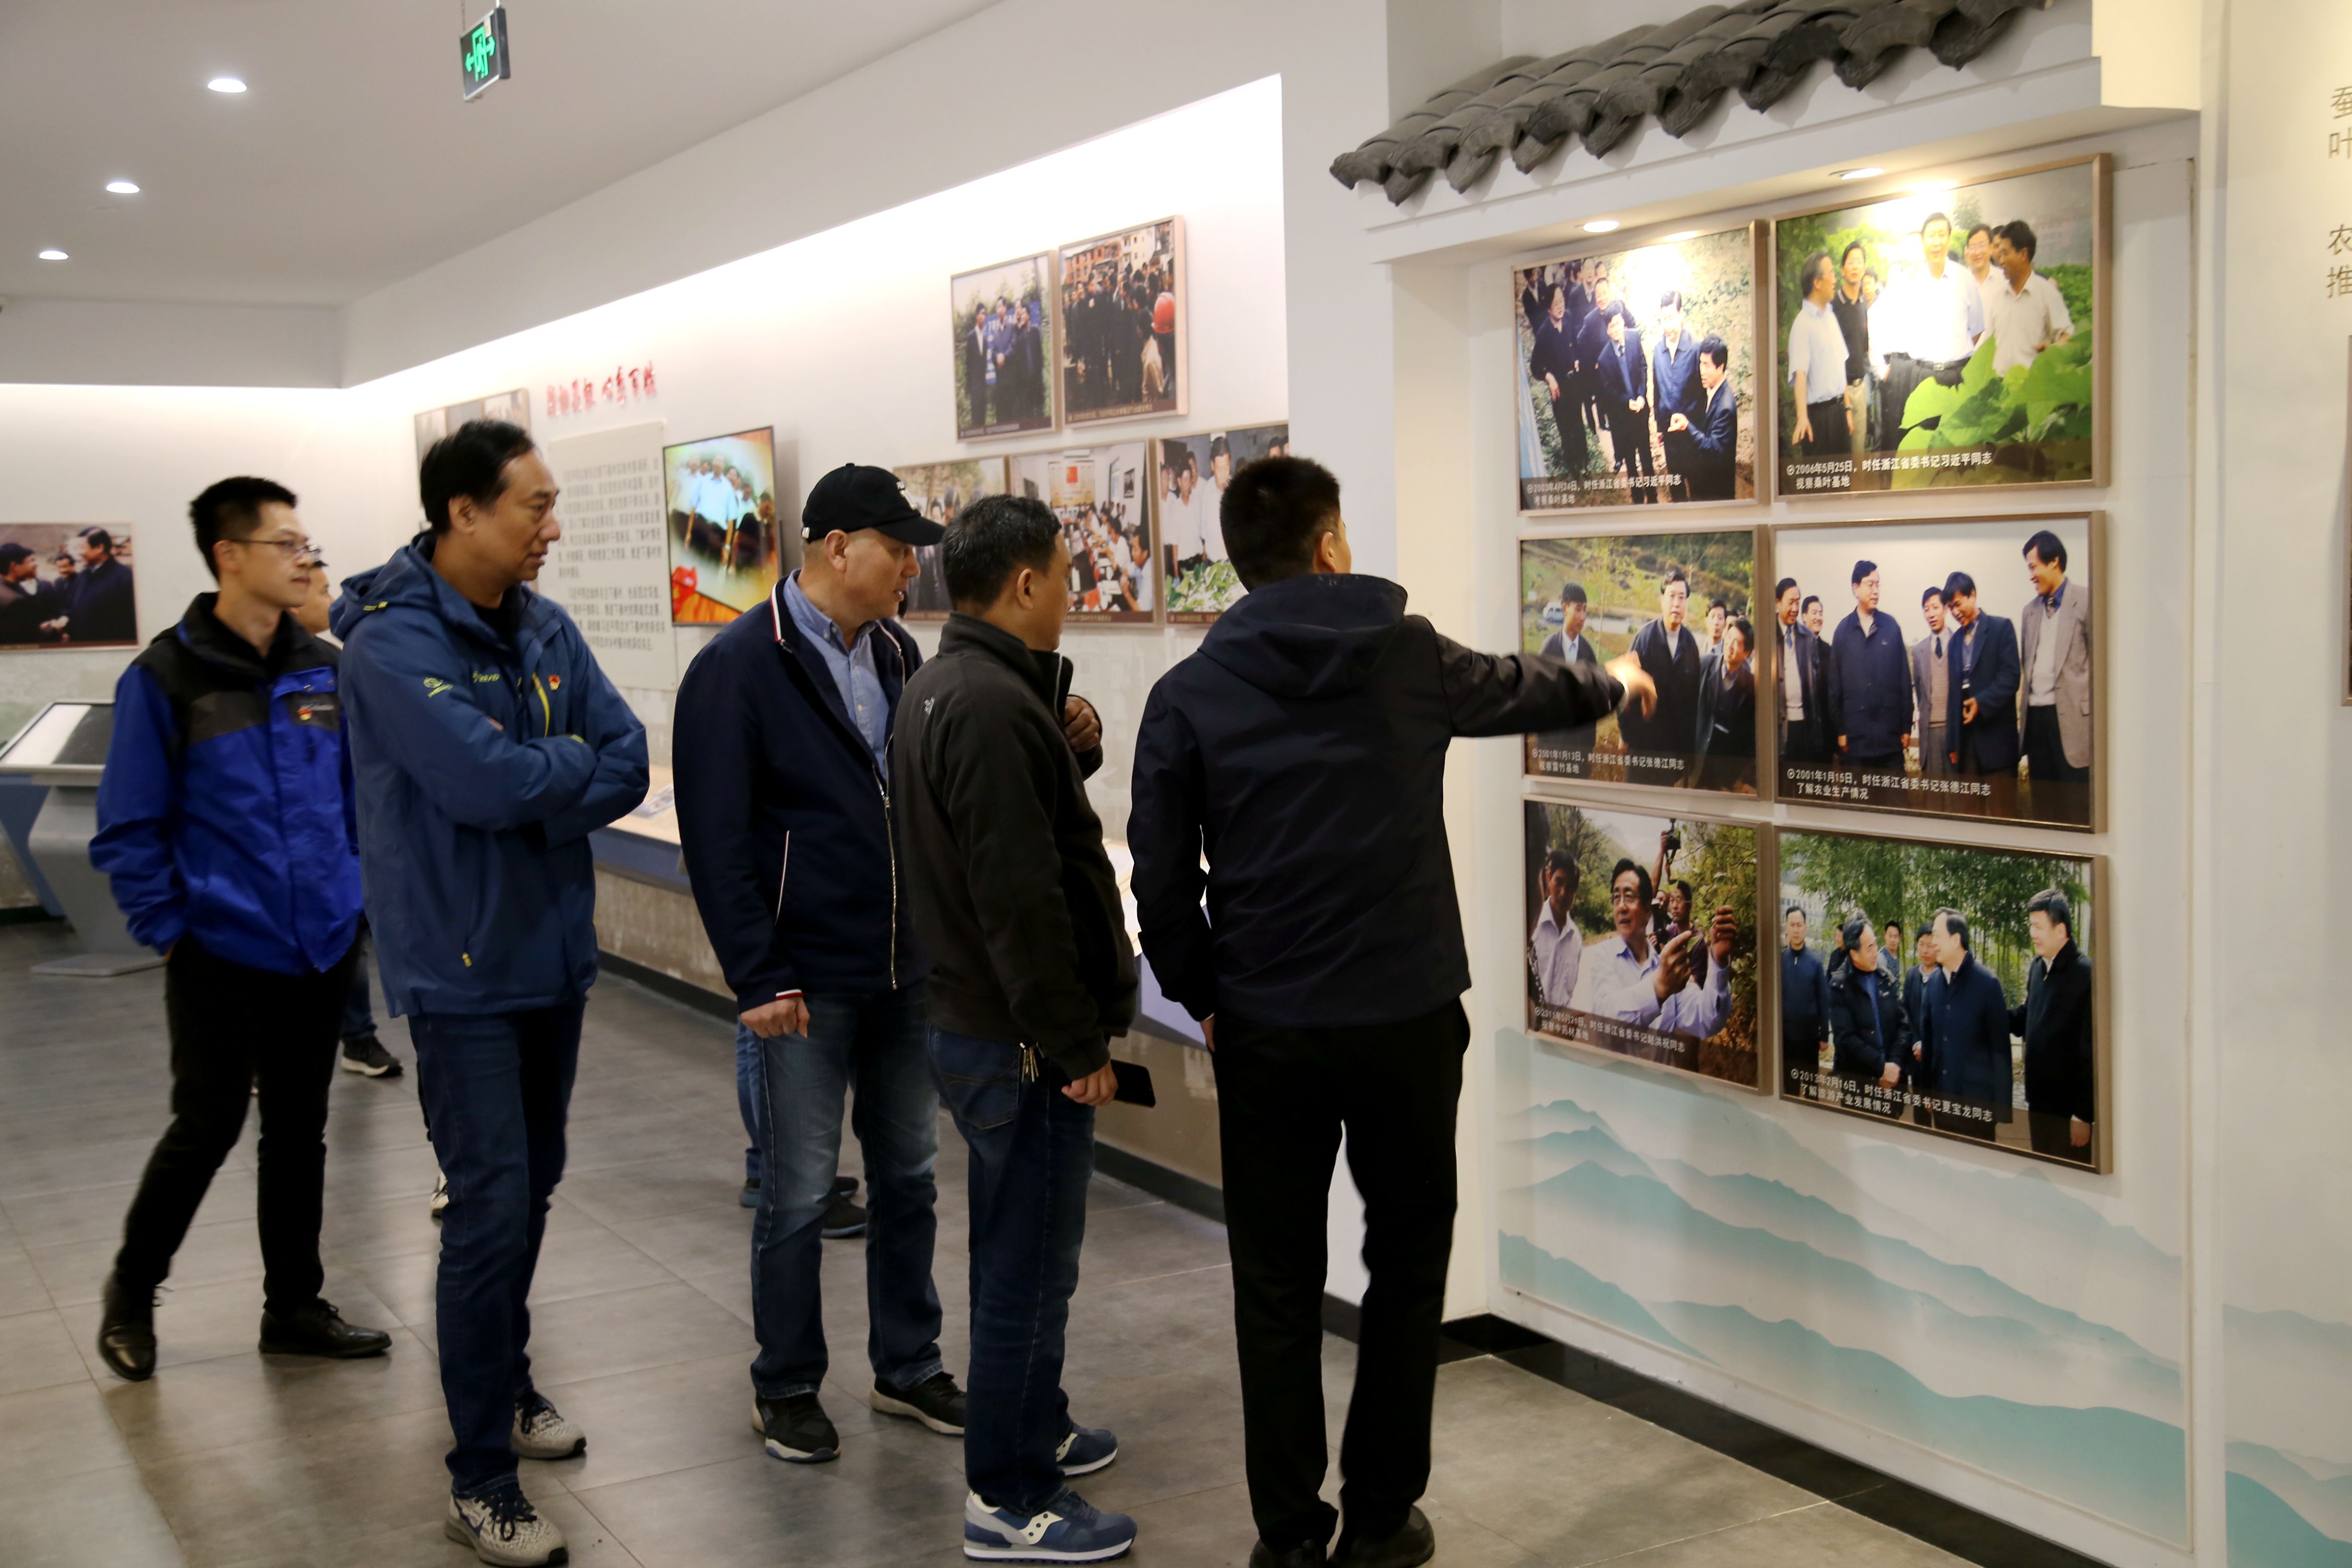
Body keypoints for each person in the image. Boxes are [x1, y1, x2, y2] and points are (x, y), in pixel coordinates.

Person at [1127, 456, 1650, 1568]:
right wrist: (1608, 681)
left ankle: (1287, 1535)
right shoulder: (1407, 656)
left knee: (1274, 1281)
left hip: (1268, 1025)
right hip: (1406, 1017)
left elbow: (1162, 888)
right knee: (1408, 1264)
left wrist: (1207, 996)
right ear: (1329, 545)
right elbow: (1519, 689)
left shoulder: (1189, 695)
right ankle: (1378, 1518)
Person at [335, 421, 648, 1566]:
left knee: (533, 1190)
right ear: (462, 512)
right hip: (460, 972)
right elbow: (482, 783)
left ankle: (506, 1383)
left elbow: (629, 755)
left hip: (550, 956)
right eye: (535, 505)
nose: (551, 525)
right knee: (487, 1208)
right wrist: (551, 776)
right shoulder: (389, 643)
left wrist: (535, 786)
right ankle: (479, 1479)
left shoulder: (545, 625)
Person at [671, 463, 976, 1467]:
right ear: (838, 548)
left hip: (903, 969)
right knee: (800, 1192)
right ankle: (788, 1384)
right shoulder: (737, 667)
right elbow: (717, 840)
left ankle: (908, 1365)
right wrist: (758, 976)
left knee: (911, 1178)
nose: (913, 571)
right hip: (803, 979)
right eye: (899, 552)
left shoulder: (896, 652)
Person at [89, 477, 394, 1387]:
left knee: (299, 1131)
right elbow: (129, 825)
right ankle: (131, 1292)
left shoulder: (323, 668)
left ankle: (293, 1305)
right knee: (208, 1123)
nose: (305, 559)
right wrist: (171, 931)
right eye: (286, 544)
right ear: (230, 556)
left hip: (320, 942)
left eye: (307, 545)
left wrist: (351, 896)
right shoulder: (165, 678)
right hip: (218, 947)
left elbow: (354, 799)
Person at [893, 493, 1136, 1564]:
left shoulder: (951, 686)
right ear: (1027, 582)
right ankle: (1010, 1494)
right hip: (1020, 1042)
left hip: (985, 1027)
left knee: (1021, 1256)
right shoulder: (988, 706)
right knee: (1027, 1271)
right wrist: (1075, 1044)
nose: (1073, 594)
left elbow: (1006, 836)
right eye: (1066, 576)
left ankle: (1036, 1427)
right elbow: (1019, 897)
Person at [1568, 859, 1735, 1039]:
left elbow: (1708, 1020)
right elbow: (1604, 1021)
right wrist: (1658, 987)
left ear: (1648, 910)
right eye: (1616, 898)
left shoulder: (1666, 967)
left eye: (1629, 897)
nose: (1621, 907)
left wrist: (1719, 961)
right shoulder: (1599, 956)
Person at [1873, 212, 1984, 445]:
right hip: (1922, 377)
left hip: (1957, 376)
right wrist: (1880, 367)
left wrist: (1953, 357)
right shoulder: (1910, 281)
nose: (1937, 242)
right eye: (1931, 236)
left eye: (1942, 235)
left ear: (1949, 239)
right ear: (1923, 241)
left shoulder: (1965, 279)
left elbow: (1976, 331)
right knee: (1923, 448)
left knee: (1957, 448)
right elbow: (1880, 317)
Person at [2010, 889, 2094, 1163]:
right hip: (2038, 1103)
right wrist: (1995, 1016)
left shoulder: (2085, 975)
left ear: (2060, 930)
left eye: (2038, 927)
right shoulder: (2038, 967)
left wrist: (2084, 1114)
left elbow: (2091, 1050)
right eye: (2031, 926)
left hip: (2068, 1112)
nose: (2032, 934)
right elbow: (2028, 1016)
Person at [1918, 909, 2012, 1143]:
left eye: (1937, 935)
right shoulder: (1933, 984)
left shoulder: (1988, 984)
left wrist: (2001, 1110)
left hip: (1976, 1106)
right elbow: (1929, 1042)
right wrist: (1927, 1092)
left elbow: (2001, 1050)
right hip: (1942, 1101)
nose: (1933, 942)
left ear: (1956, 939)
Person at [2017, 528, 2092, 820]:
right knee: (2043, 809)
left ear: (2054, 562)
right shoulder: (2029, 612)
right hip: (2037, 723)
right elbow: (2028, 666)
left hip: (2073, 724)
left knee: (2075, 809)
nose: (2031, 576)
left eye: (2033, 567)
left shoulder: (2086, 601)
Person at [1943, 571, 2021, 816]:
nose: (1955, 612)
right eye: (1951, 608)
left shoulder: (2001, 628)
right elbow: (1953, 695)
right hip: (1967, 747)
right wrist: (1952, 743)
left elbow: (2011, 678)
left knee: (2003, 815)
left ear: (1973, 595)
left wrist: (1981, 703)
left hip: (1997, 742)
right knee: (1968, 817)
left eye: (1958, 604)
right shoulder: (1954, 642)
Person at [1826, 559, 1910, 771]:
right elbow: (1835, 688)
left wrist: (1906, 726)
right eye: (1870, 584)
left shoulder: (1891, 627)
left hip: (1889, 738)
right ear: (1856, 588)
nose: (1876, 591)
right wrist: (1840, 730)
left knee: (1895, 792)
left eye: (1878, 585)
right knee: (1858, 792)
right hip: (1856, 741)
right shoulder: (1843, 632)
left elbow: (1904, 680)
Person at [1827, 915, 1910, 1119]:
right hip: (1861, 1087)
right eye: (1870, 948)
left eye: (1876, 944)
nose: (1876, 953)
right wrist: (1881, 1068)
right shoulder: (1839, 986)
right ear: (1854, 954)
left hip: (1892, 1085)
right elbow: (1845, 1039)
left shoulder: (1886, 978)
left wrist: (1894, 1065)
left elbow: (1903, 1026)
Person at [1623, 567, 1701, 764]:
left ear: (1687, 603)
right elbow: (1626, 690)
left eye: (1682, 598)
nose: (1677, 603)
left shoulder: (1690, 644)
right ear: (1662, 599)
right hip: (1643, 747)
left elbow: (1693, 702)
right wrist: (1626, 735)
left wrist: (1688, 752)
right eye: (1672, 596)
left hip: (1673, 751)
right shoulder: (1644, 639)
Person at [1984, 220, 2074, 375]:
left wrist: (2053, 349)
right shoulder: (1998, 295)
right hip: (2000, 383)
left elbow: (2067, 334)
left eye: (2006, 253)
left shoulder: (2046, 292)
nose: (2001, 260)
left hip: (2032, 381)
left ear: (2023, 254)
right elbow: (1988, 342)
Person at [1787, 249, 1851, 459]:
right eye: (1831, 274)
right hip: (1819, 420)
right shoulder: (1802, 324)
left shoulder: (1831, 317)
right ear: (1817, 283)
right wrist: (1802, 417)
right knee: (1822, 477)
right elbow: (1800, 374)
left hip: (1839, 413)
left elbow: (1841, 365)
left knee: (1844, 476)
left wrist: (1848, 409)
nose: (1835, 280)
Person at [1665, 336, 1739, 502]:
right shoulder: (1711, 392)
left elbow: (1713, 449)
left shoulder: (1725, 407)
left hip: (1716, 494)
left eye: (1707, 365)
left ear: (1721, 367)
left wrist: (1687, 426)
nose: (1702, 371)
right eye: (1700, 363)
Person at [1536, 581, 1604, 757]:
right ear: (1565, 609)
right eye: (1578, 609)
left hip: (1581, 750)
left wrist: (1589, 747)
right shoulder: (1549, 649)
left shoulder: (1588, 653)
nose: (1583, 617)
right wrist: (1543, 748)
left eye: (1585, 610)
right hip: (1554, 749)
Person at [1528, 284, 1588, 479]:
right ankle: (1574, 469)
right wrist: (1549, 377)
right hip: (1559, 389)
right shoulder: (1544, 333)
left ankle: (1585, 462)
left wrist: (1577, 358)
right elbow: (1535, 366)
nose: (1561, 306)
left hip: (1575, 382)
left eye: (1562, 301)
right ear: (1548, 308)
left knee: (1578, 423)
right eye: (1556, 303)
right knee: (1566, 428)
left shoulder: (1569, 318)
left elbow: (1577, 342)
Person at [1648, 291, 1701, 500]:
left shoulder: (1695, 349)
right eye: (1663, 320)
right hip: (1670, 436)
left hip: (1691, 433)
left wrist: (1693, 425)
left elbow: (1702, 395)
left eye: (1671, 318)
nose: (1667, 325)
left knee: (1697, 486)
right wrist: (1660, 427)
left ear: (1682, 315)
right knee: (1676, 486)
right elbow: (1657, 391)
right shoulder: (1658, 351)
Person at [1692, 616, 1755, 789]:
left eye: (1737, 643)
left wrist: (1741, 777)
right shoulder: (1704, 665)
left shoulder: (1751, 686)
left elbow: (1749, 737)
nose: (1730, 646)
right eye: (1729, 638)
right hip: (1697, 761)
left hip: (1725, 772)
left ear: (1747, 653)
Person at [1771, 578, 1825, 765]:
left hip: (1804, 725)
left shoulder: (1807, 638)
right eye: (1791, 603)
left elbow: (1815, 686)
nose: (1795, 608)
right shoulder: (1767, 634)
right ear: (1778, 602)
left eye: (1798, 602)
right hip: (1779, 726)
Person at [1831, 241, 1873, 454]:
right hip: (1839, 393)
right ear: (1842, 269)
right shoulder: (1833, 305)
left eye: (1859, 262)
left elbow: (1864, 347)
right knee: (1840, 457)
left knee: (1859, 456)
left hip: (1860, 387)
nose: (1855, 266)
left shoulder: (1863, 304)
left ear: (1864, 267)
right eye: (1851, 262)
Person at [63, 525, 139, 642]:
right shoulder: (82, 576)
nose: (79, 554)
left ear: (99, 548)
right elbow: (72, 606)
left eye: (82, 549)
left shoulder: (125, 578)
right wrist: (66, 621)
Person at [1910, 587, 1955, 779]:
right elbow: (1921, 694)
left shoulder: (1959, 642)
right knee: (1933, 791)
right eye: (1927, 609)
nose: (1931, 614)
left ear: (1946, 609)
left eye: (1935, 608)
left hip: (1955, 731)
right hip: (1929, 732)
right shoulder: (1918, 651)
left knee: (1959, 791)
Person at [1529, 847, 1583, 1009]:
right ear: (1549, 879)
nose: (1563, 893)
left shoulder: (1575, 939)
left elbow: (1569, 991)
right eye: (1559, 882)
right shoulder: (1533, 928)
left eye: (1570, 887)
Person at [1780, 909, 1829, 1076]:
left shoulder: (1815, 963)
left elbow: (1823, 1001)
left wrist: (1824, 1036)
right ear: (1786, 927)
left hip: (1810, 1038)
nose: (1796, 930)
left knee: (1811, 1085)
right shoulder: (1780, 961)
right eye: (1792, 925)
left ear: (1805, 928)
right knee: (1789, 1085)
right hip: (1786, 1038)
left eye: (1799, 925)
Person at [963, 302, 991, 428]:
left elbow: (984, 364)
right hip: (974, 388)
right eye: (982, 314)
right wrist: (969, 388)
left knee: (983, 419)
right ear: (977, 316)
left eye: (985, 314)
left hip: (983, 386)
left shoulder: (985, 339)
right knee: (976, 421)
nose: (984, 317)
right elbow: (968, 364)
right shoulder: (971, 337)